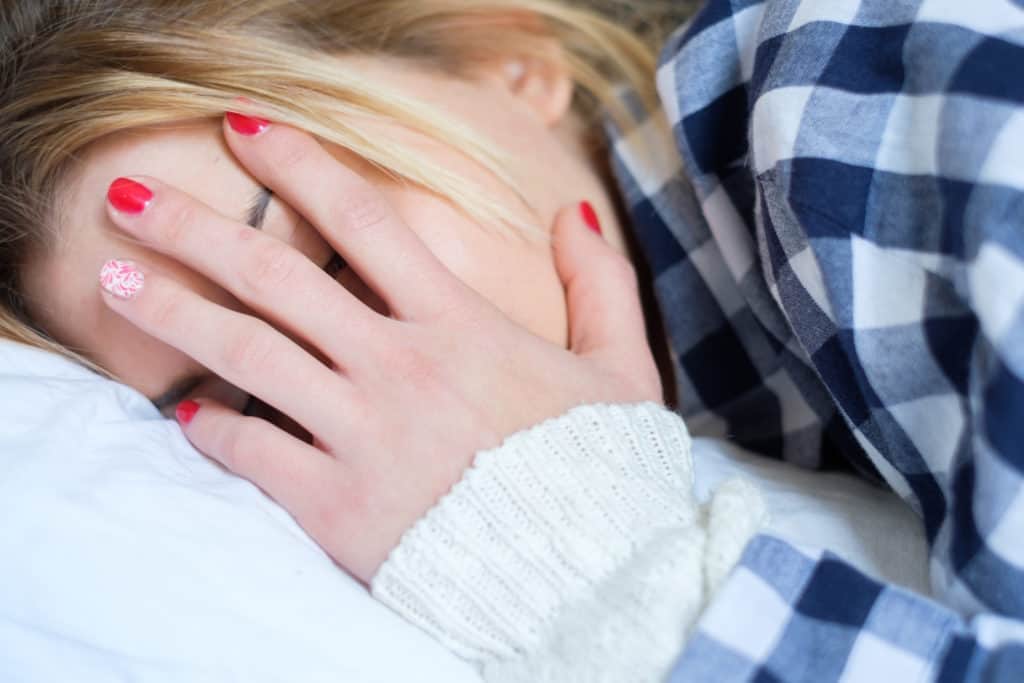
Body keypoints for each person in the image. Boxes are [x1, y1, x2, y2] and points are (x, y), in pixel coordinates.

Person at [2, 0, 1022, 681]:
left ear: (506, 58)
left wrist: (588, 565)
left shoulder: (843, 110)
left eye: (318, 258)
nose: (366, 366)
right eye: (250, 390)